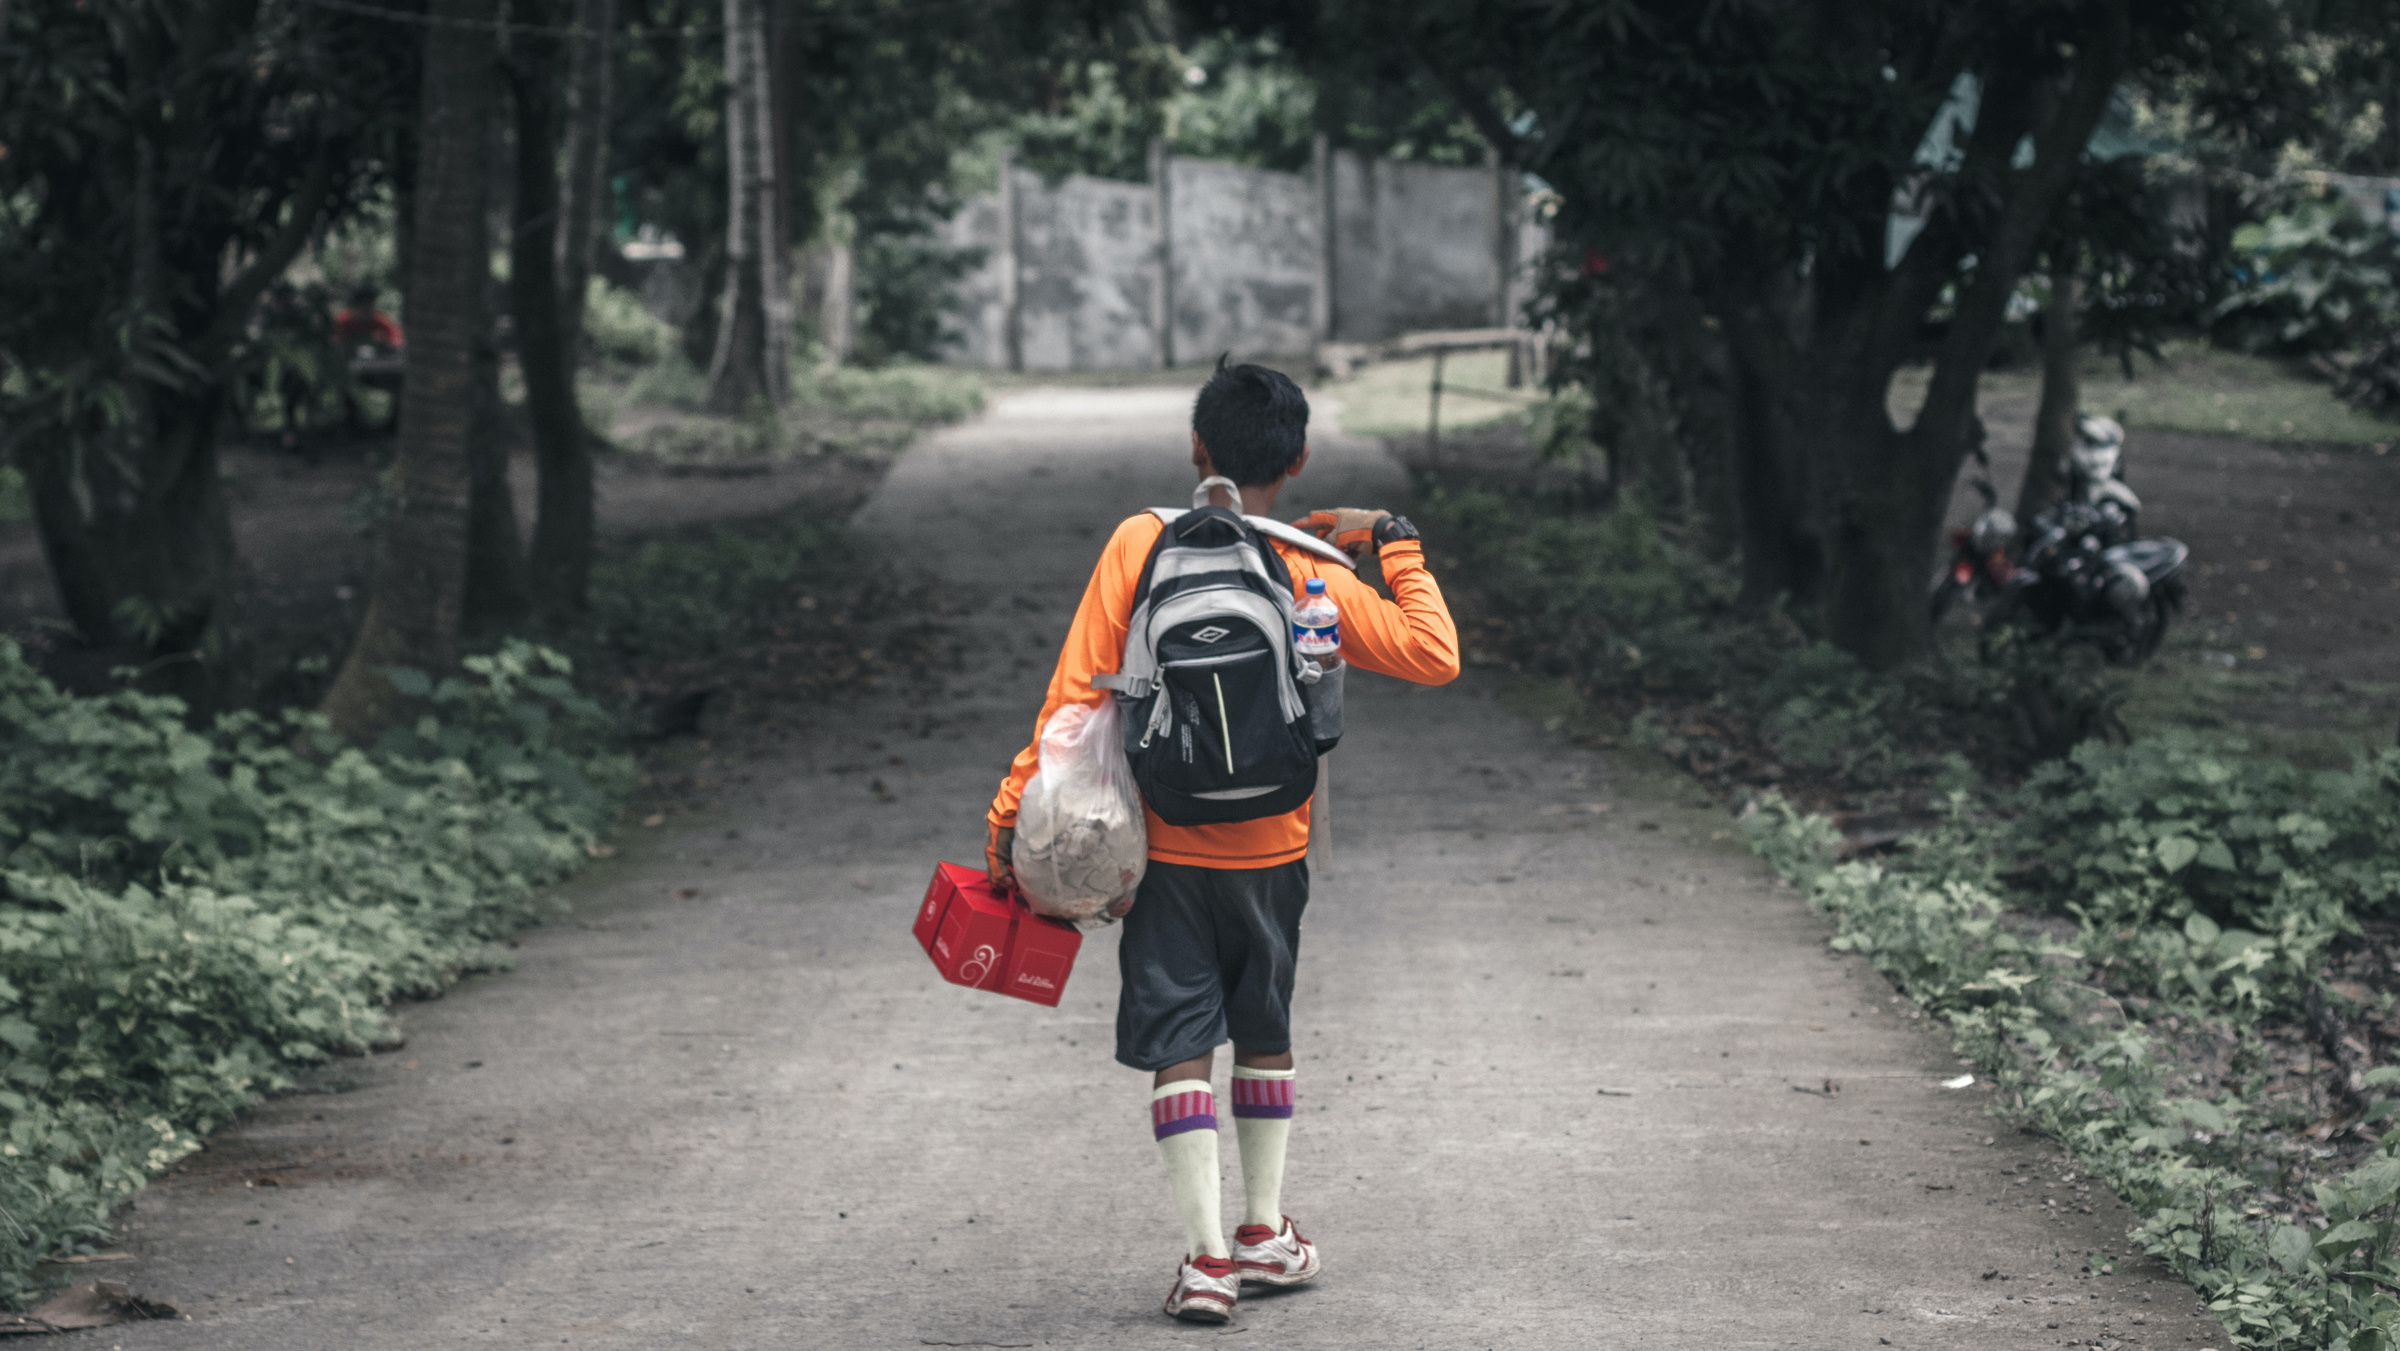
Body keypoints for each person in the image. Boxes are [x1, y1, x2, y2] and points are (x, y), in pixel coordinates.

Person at [981, 360, 1460, 1323]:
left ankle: (1205, 1259)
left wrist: (1010, 816)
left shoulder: (1139, 540)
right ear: (1301, 458)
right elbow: (1433, 652)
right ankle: (1264, 1232)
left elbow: (1074, 697)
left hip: (1163, 846)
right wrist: (1393, 543)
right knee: (1264, 1028)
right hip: (1274, 848)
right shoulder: (1302, 562)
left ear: (1196, 448)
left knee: (1180, 1042)